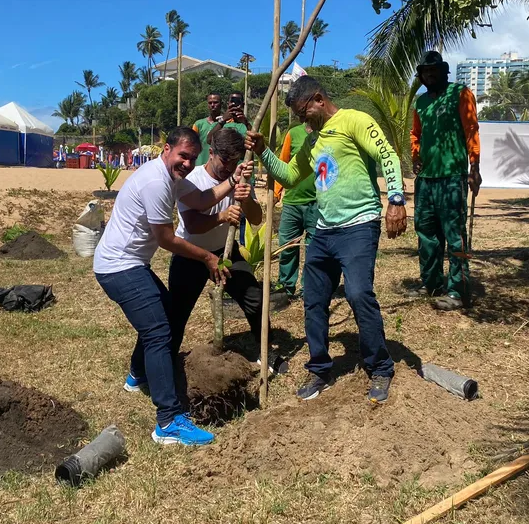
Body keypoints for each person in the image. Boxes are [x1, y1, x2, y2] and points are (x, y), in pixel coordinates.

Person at [244, 75, 408, 404]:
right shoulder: (312, 141)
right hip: (323, 231)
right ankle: (320, 368)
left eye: (305, 113)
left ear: (319, 99)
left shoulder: (354, 121)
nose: (303, 121)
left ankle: (380, 367)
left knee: (360, 294)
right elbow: (290, 175)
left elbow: (387, 154)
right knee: (314, 300)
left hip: (359, 226)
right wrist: (263, 152)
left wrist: (397, 199)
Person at [94, 127, 252, 446]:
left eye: (192, 158)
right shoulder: (155, 182)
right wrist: (208, 256)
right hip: (118, 266)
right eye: (182, 156)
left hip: (130, 264)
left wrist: (234, 181)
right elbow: (166, 239)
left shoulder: (172, 178)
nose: (187, 163)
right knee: (159, 331)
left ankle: (137, 376)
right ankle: (167, 421)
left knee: (163, 314)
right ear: (166, 150)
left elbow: (204, 198)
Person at [169, 129, 284, 372]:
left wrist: (246, 200)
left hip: (225, 251)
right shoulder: (192, 180)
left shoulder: (240, 179)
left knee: (255, 299)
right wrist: (222, 216)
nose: (229, 167)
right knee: (177, 314)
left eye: (234, 162)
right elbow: (192, 224)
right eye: (225, 161)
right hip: (191, 253)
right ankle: (166, 360)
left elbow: (256, 219)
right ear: (211, 154)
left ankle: (267, 351)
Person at [410, 51, 481, 312]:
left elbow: (471, 130)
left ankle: (456, 290)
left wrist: (474, 166)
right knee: (426, 233)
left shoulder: (461, 94)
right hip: (426, 179)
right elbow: (416, 134)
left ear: (443, 71)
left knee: (454, 234)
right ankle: (431, 283)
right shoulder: (420, 102)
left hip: (453, 176)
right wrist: (415, 156)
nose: (429, 75)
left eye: (434, 71)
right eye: (425, 72)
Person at [273, 117, 318, 299]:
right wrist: (277, 191)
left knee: (314, 249)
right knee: (287, 246)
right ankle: (286, 286)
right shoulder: (294, 133)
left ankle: (310, 289)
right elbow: (282, 163)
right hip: (292, 202)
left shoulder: (326, 133)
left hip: (317, 202)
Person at [208, 92, 253, 245]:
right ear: (227, 104)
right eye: (232, 101)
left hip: (241, 175)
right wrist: (223, 120)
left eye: (238, 102)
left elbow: (255, 142)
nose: (235, 105)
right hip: (222, 176)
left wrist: (246, 122)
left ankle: (242, 247)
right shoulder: (222, 122)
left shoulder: (246, 124)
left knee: (242, 216)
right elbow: (209, 138)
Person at [192, 93, 223, 167]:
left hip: (217, 168)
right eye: (210, 103)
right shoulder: (198, 124)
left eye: (215, 102)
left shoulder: (227, 124)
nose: (212, 105)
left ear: (221, 104)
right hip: (199, 166)